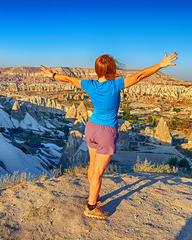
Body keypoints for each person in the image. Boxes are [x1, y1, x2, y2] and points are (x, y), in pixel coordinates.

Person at [40, 52, 178, 219]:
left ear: (98, 70)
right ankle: (91, 207)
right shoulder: (115, 85)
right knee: (99, 171)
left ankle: (93, 195)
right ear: (111, 70)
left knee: (92, 166)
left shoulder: (89, 84)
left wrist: (52, 75)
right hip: (107, 131)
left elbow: (69, 79)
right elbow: (140, 75)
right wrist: (160, 64)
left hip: (91, 127)